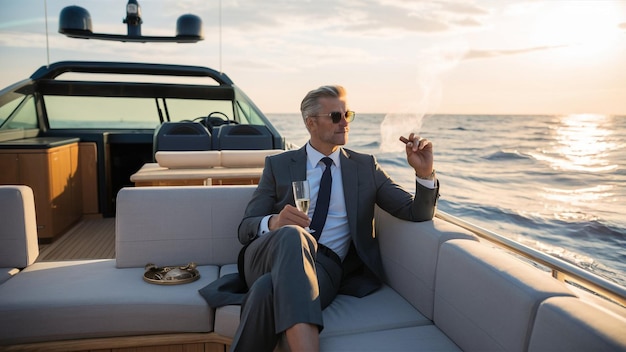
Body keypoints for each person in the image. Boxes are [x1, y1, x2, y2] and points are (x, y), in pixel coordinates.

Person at [232, 85, 439, 351]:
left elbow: (416, 212)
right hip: (268, 256)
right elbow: (245, 228)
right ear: (310, 123)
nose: (345, 123)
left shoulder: (365, 168)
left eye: (347, 115)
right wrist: (273, 222)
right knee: (293, 235)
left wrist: (425, 173)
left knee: (264, 291)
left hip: (324, 269)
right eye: (335, 116)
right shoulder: (279, 165)